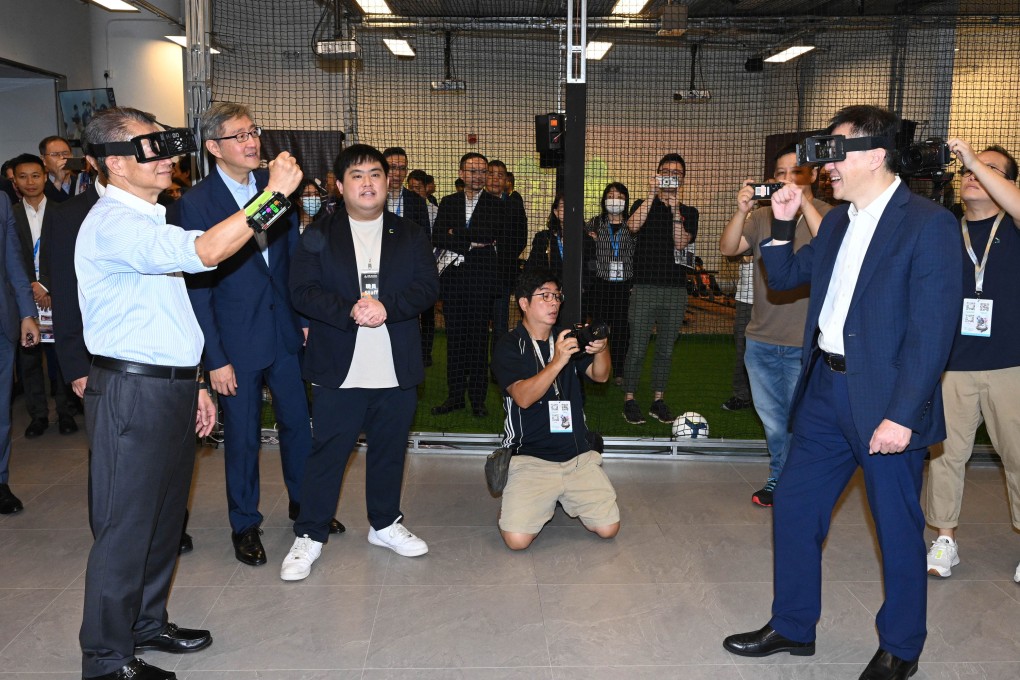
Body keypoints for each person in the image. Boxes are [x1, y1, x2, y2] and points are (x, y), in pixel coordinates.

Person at [722, 105, 961, 680]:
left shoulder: (927, 224)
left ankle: (902, 647)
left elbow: (933, 333)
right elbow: (781, 280)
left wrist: (904, 414)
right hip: (824, 393)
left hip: (886, 402)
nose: (824, 164)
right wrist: (780, 223)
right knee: (797, 511)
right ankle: (793, 626)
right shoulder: (835, 222)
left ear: (876, 156)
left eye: (836, 151)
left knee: (897, 529)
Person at [76, 106, 303, 680]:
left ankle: (146, 625)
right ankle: (106, 659)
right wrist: (272, 194)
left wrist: (195, 379)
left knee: (160, 521)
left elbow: (173, 307)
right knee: (126, 528)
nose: (169, 157)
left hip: (167, 386)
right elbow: (205, 253)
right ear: (115, 164)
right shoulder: (114, 222)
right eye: (153, 148)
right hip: (132, 392)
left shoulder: (150, 218)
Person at [170, 102, 342, 568]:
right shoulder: (195, 203)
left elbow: (286, 261)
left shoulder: (273, 188)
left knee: (296, 426)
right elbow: (198, 287)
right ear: (212, 147)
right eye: (239, 136)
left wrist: (302, 317)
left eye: (253, 132)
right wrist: (215, 357)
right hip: (235, 341)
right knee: (243, 437)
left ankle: (305, 505)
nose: (251, 142)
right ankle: (245, 523)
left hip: (283, 331)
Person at [282, 144, 439, 581]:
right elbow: (302, 291)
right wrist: (350, 309)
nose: (367, 183)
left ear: (389, 182)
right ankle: (310, 534)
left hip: (395, 365)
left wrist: (386, 307)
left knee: (389, 451)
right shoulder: (318, 233)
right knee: (328, 453)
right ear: (339, 185)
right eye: (356, 175)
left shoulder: (409, 233)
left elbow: (427, 287)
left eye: (375, 174)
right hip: (339, 365)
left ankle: (385, 523)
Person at [924, 139, 1020, 583]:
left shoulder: (1015, 225)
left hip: (1010, 363)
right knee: (946, 456)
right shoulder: (945, 228)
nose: (972, 175)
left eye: (987, 171)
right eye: (967, 171)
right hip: (954, 365)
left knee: (1017, 456)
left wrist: (976, 161)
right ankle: (944, 538)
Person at [718, 144, 830, 506]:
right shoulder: (764, 217)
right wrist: (742, 211)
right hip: (762, 338)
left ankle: (795, 480)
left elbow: (831, 244)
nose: (785, 179)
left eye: (795, 171)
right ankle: (781, 477)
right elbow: (728, 249)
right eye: (780, 173)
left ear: (812, 175)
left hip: (805, 341)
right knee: (773, 421)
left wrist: (802, 204)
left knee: (802, 420)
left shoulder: (829, 213)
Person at [491, 268, 619, 550]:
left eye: (557, 297)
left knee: (608, 529)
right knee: (517, 540)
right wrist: (558, 361)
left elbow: (601, 376)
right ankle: (533, 496)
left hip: (576, 455)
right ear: (523, 303)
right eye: (544, 296)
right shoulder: (509, 346)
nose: (553, 303)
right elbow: (523, 397)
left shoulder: (567, 337)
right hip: (530, 458)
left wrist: (601, 349)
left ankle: (561, 494)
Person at [620, 153, 698, 425]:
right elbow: (631, 227)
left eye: (676, 173)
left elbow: (680, 244)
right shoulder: (644, 204)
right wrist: (652, 194)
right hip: (643, 288)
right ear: (656, 174)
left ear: (683, 179)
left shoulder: (689, 212)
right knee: (638, 347)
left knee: (665, 349)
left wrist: (675, 209)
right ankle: (629, 399)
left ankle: (658, 400)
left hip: (675, 291)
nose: (671, 176)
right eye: (665, 171)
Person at [431, 152, 510, 418]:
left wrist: (458, 233)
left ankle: (477, 399)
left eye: (482, 171)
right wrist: (469, 241)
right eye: (472, 171)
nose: (478, 176)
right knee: (454, 342)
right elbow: (439, 235)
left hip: (481, 281)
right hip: (453, 282)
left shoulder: (496, 204)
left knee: (477, 342)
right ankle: (454, 397)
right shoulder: (448, 201)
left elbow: (488, 235)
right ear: (462, 173)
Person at [10, 153, 79, 437]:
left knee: (60, 356)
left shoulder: (64, 210)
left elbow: (69, 254)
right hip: (24, 298)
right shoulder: (10, 214)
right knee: (29, 359)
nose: (30, 182)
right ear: (14, 181)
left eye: (36, 175)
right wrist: (30, 287)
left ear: (44, 176)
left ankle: (66, 412)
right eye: (23, 177)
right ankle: (38, 415)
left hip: (57, 294)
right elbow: (10, 258)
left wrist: (47, 284)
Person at [0, 191, 40, 515]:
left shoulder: (1, 202)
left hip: (2, 324)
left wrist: (28, 313)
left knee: (1, 412)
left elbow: (14, 261)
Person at [585, 182, 635, 381]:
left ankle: (620, 371)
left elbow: (638, 253)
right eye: (611, 195)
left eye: (620, 196)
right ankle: (597, 365)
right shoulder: (595, 223)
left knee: (623, 328)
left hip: (625, 284)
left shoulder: (632, 224)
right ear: (604, 199)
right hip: (601, 283)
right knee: (599, 326)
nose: (615, 200)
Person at [721, 253, 753, 412]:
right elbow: (729, 253)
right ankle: (742, 395)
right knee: (742, 349)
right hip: (746, 299)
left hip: (773, 298)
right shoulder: (746, 227)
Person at [526, 193, 566, 277]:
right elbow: (532, 268)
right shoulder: (543, 238)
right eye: (563, 206)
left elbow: (590, 273)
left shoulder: (586, 240)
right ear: (556, 212)